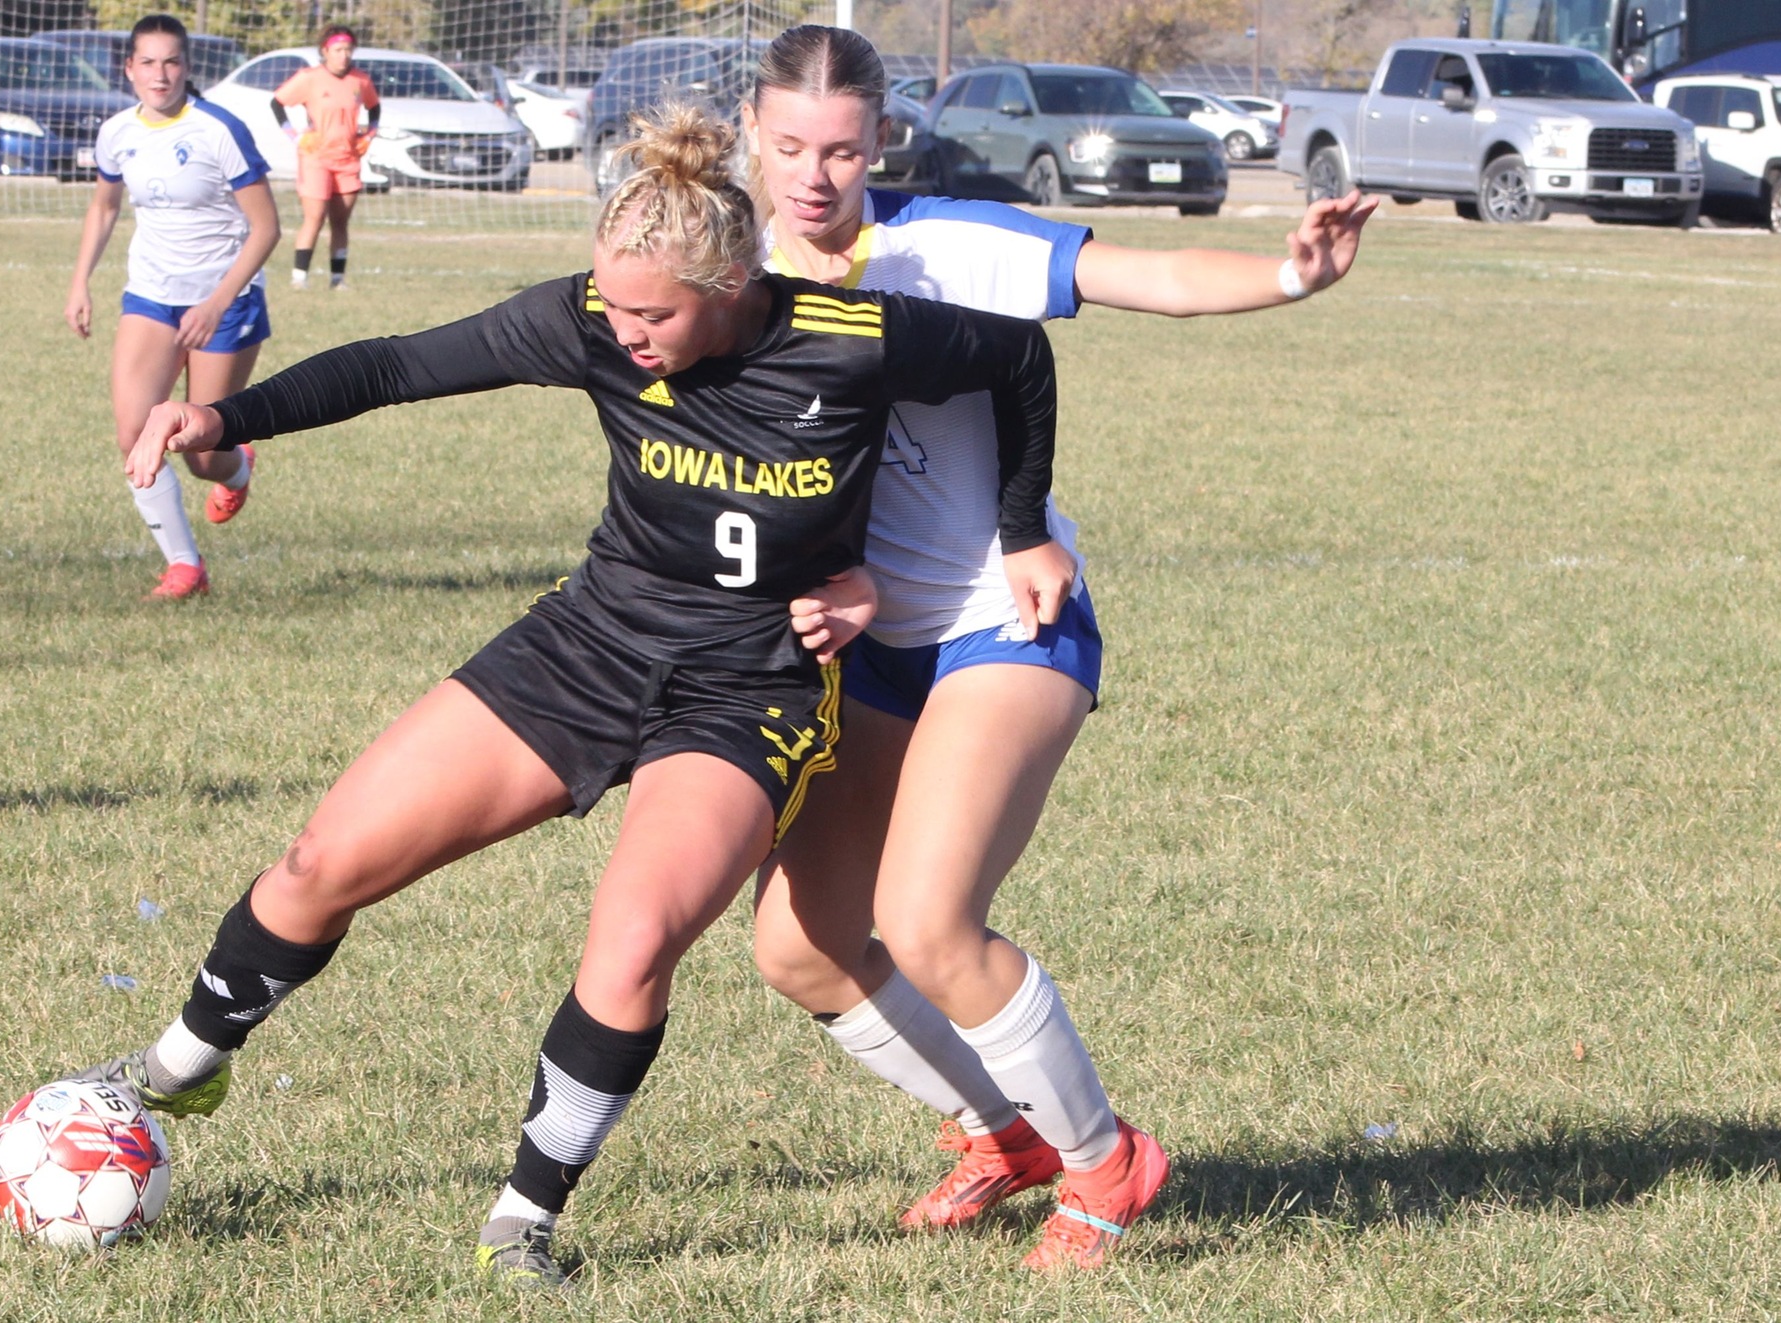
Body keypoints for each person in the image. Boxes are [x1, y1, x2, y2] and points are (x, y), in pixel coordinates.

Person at [70, 105, 1066, 1289]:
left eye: (656, 312)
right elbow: (398, 364)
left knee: (631, 946)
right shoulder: (589, 318)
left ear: (733, 282)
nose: (625, 328)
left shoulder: (849, 338)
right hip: (589, 643)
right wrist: (223, 416)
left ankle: (518, 1223)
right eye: (613, 303)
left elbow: (1015, 356)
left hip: (748, 687)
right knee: (319, 863)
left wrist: (1021, 535)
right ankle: (184, 1061)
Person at [733, 24, 1378, 1271]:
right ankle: (1005, 1132)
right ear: (754, 137)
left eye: (846, 150)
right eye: (792, 146)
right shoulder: (729, 268)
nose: (817, 175)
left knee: (927, 923)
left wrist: (1291, 274)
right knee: (799, 948)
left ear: (882, 143)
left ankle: (1106, 1162)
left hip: (1004, 618)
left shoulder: (945, 245)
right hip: (867, 646)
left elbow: (1154, 279)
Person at [65, 14, 280, 600]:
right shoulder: (117, 132)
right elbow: (105, 207)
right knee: (136, 431)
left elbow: (266, 228)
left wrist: (216, 302)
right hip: (151, 298)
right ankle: (185, 566)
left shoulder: (219, 130)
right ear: (129, 69)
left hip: (225, 305)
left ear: (187, 68)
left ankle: (235, 465)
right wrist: (80, 282)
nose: (160, 74)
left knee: (200, 452)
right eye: (148, 62)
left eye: (172, 62)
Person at [271, 27, 379, 291]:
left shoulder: (360, 80)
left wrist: (369, 135)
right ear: (325, 51)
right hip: (316, 158)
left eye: (348, 50)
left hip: (347, 159)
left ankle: (337, 279)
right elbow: (277, 103)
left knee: (340, 221)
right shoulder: (310, 78)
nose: (344, 56)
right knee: (315, 216)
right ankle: (299, 277)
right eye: (338, 50)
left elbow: (374, 108)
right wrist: (296, 137)